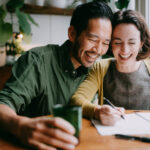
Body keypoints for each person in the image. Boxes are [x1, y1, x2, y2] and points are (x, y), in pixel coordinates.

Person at [0, 1, 113, 150]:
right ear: (72, 34)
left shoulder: (97, 70)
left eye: (105, 43)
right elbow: (4, 103)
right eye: (92, 39)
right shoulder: (37, 61)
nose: (98, 50)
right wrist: (21, 127)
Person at [70, 10, 150, 126]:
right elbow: (76, 100)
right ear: (110, 44)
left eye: (131, 43)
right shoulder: (101, 67)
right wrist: (97, 111)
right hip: (110, 138)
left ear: (141, 43)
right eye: (117, 42)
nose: (124, 50)